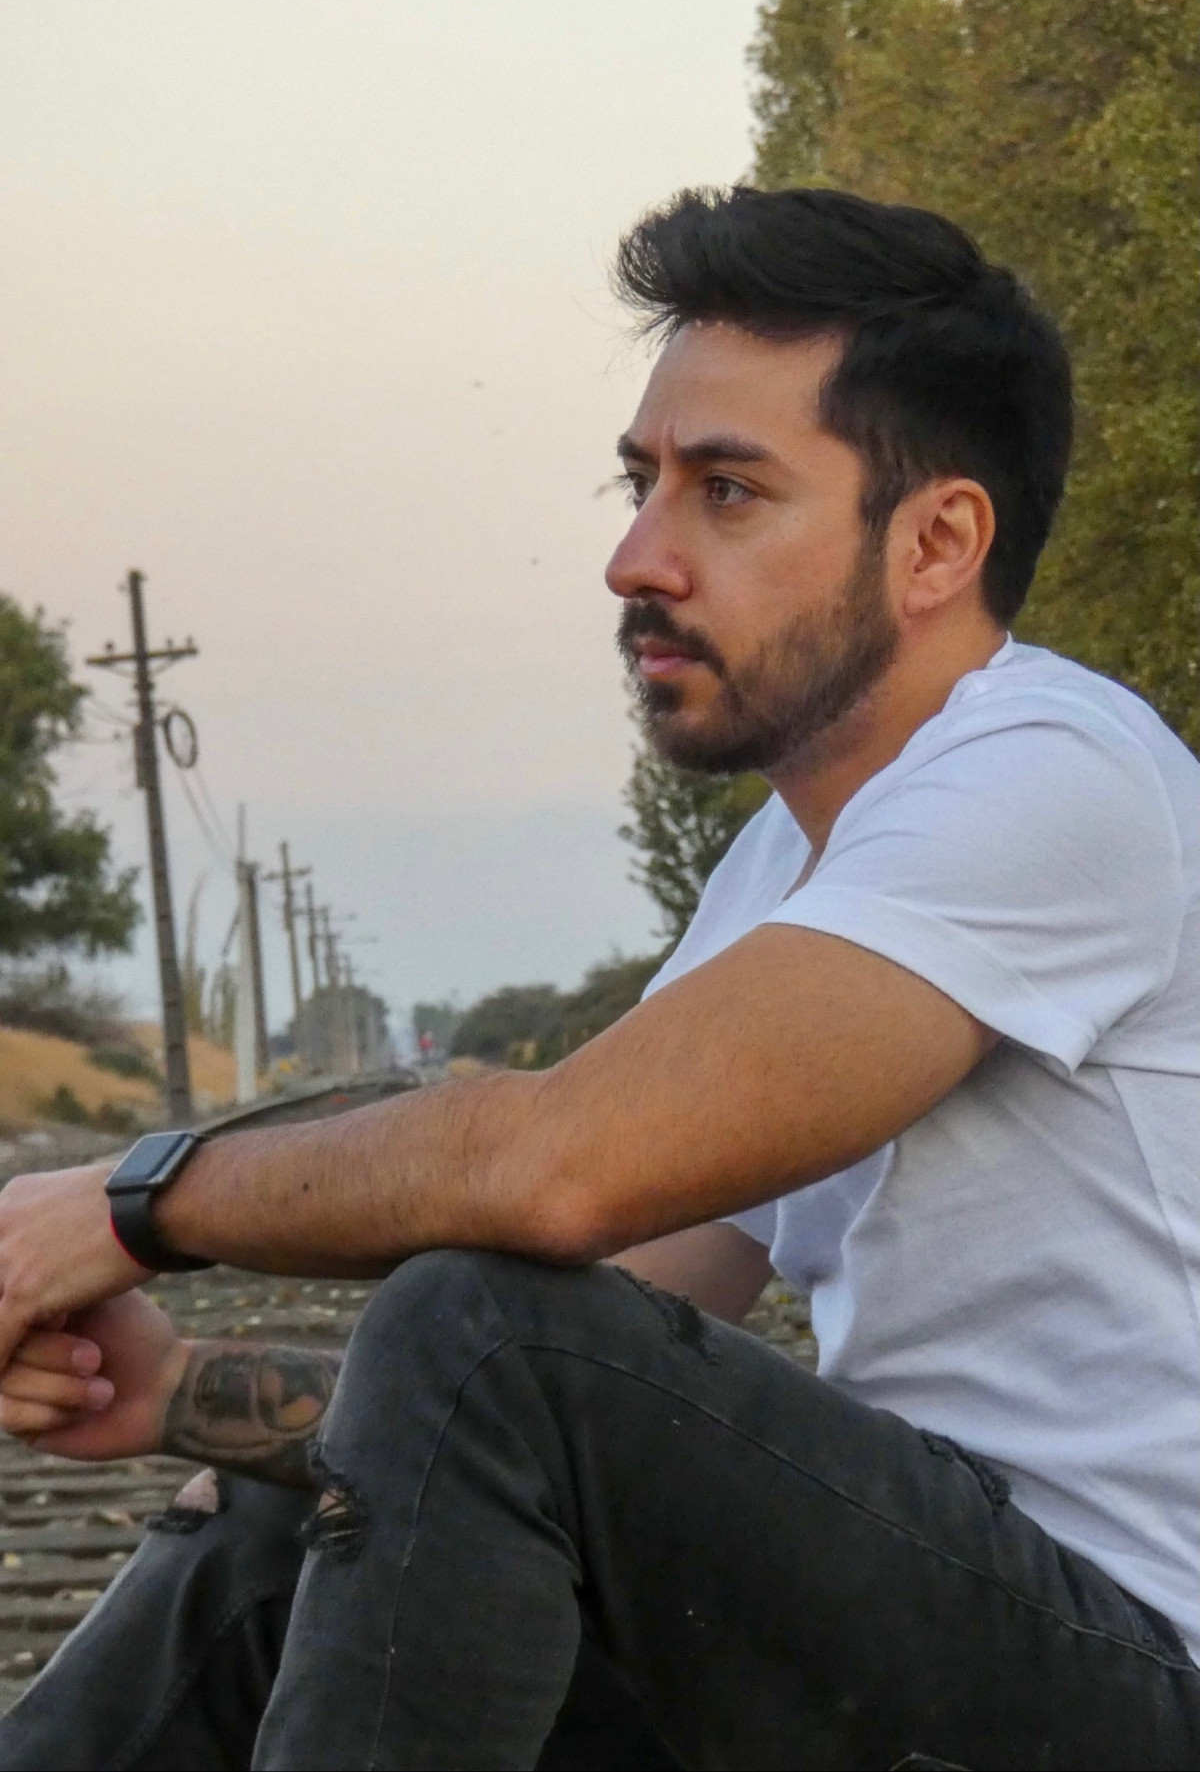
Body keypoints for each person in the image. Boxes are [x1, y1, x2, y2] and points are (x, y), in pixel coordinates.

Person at [0, 186, 1196, 1771]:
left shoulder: (1057, 774)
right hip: (905, 1642)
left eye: (728, 492)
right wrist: (190, 1396)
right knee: (300, 1502)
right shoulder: (783, 868)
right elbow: (599, 1332)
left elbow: (552, 1177)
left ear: (937, 543)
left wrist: (138, 1199)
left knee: (483, 1328)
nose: (637, 560)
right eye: (641, 486)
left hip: (1135, 1673)